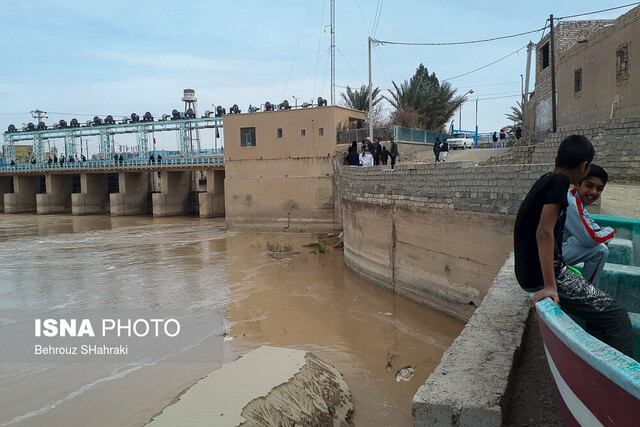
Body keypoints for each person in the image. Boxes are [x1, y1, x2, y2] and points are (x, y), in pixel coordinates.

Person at [514, 134, 633, 357]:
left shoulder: (546, 179)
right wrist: (550, 286)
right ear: (585, 166)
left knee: (603, 310)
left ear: (556, 157)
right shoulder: (560, 182)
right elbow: (543, 230)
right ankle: (621, 381)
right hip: (542, 275)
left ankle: (598, 355)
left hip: (533, 271)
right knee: (617, 316)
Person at [562, 164, 614, 286]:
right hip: (546, 255)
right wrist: (611, 232)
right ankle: (588, 293)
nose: (594, 192)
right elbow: (590, 239)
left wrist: (601, 233)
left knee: (597, 244)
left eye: (599, 188)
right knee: (600, 250)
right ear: (577, 184)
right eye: (589, 186)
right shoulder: (572, 203)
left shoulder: (577, 199)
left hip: (554, 248)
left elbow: (590, 224)